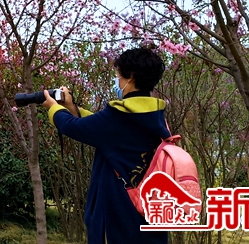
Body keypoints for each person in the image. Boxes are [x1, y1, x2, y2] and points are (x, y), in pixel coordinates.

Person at [40, 47, 170, 244]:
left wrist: (54, 107)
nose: (117, 81)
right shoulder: (156, 116)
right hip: (150, 215)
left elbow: (74, 127)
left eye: (118, 75)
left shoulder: (118, 115)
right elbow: (102, 130)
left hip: (118, 217)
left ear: (130, 77)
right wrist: (71, 108)